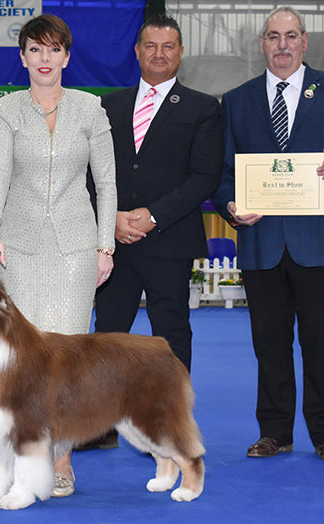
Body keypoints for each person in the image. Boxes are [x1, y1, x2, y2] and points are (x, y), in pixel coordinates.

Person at [0, 14, 117, 498]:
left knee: (68, 361)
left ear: (67, 57)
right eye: (35, 50)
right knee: (22, 362)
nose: (44, 59)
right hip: (21, 249)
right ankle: (20, 456)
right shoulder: (7, 109)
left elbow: (107, 183)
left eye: (53, 50)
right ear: (22, 58)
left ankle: (61, 459)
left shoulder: (91, 110)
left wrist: (104, 245)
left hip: (76, 250)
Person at [212, 6, 324, 460]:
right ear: (262, 43)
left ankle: (323, 432)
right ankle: (275, 431)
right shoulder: (236, 100)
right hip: (260, 245)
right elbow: (221, 173)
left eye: (291, 36)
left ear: (304, 42)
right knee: (269, 345)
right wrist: (231, 206)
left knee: (320, 343)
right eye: (273, 36)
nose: (282, 45)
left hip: (316, 244)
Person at [94, 14, 223, 373]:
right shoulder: (108, 107)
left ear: (181, 52)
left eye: (168, 47)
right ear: (136, 51)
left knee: (172, 334)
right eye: (150, 46)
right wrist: (113, 218)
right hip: (114, 242)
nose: (159, 53)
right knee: (107, 335)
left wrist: (153, 216)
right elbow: (93, 172)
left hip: (170, 240)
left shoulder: (204, 108)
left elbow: (205, 175)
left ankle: (171, 425)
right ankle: (101, 427)